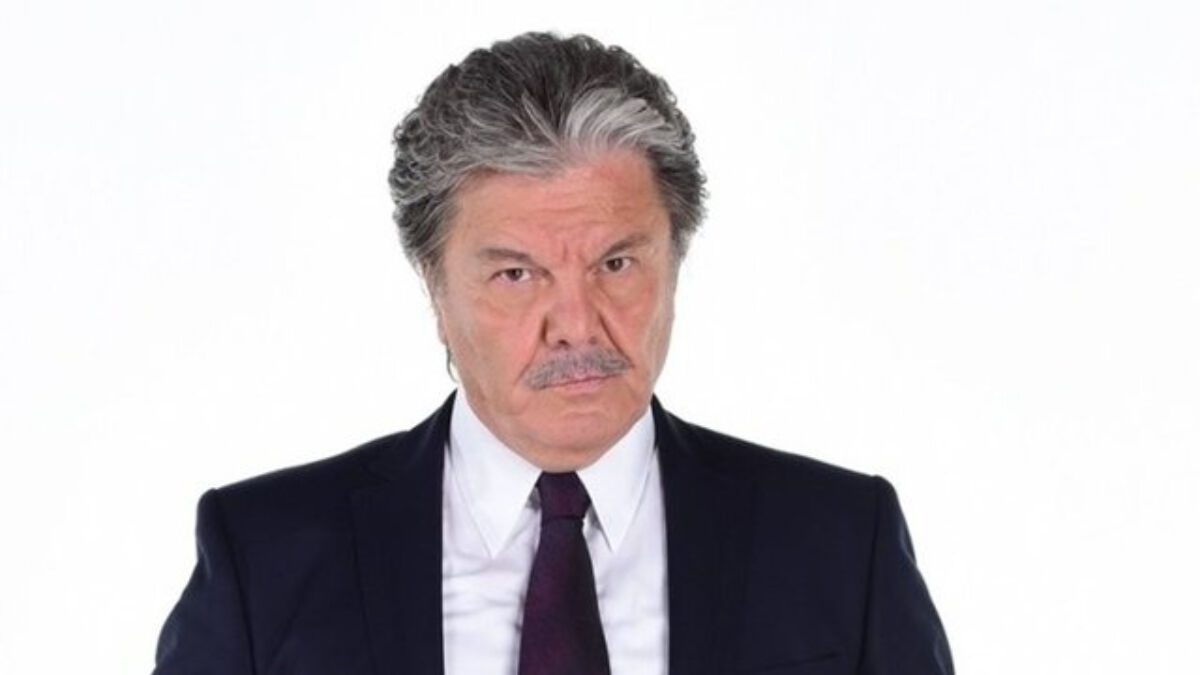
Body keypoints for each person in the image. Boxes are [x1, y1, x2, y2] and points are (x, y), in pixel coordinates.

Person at [153, 32, 954, 675]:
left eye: (616, 263)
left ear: (675, 262)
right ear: (434, 287)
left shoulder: (841, 543)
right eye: (517, 274)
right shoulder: (264, 556)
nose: (576, 325)